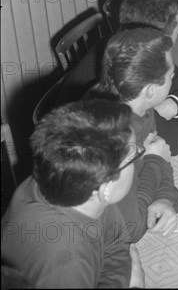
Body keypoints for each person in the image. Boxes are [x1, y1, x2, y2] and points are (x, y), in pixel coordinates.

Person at [1, 100, 145, 288]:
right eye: (133, 157)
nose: (142, 152)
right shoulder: (65, 264)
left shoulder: (69, 183)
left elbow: (116, 243)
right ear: (105, 189)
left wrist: (119, 280)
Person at [93, 27, 178, 243]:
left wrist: (164, 197)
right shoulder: (115, 140)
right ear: (151, 91)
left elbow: (158, 154)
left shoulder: (137, 104)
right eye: (171, 76)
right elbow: (130, 231)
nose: (173, 79)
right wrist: (155, 160)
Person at [118, 0, 178, 155]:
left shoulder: (142, 50)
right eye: (177, 31)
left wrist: (172, 104)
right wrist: (163, 116)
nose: (177, 38)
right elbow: (172, 142)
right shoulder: (129, 76)